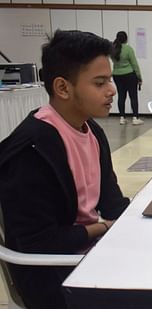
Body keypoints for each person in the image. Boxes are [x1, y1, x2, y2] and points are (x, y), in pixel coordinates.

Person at [0, 30, 129, 309]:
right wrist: (101, 228)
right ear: (62, 88)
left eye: (110, 79)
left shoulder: (91, 130)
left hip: (87, 254)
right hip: (52, 273)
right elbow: (38, 242)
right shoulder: (31, 149)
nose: (112, 90)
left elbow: (112, 202)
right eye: (100, 82)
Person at [111, 31, 144, 125]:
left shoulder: (113, 49)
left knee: (121, 96)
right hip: (129, 75)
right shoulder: (128, 49)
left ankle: (122, 117)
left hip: (117, 75)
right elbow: (134, 64)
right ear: (126, 39)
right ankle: (135, 118)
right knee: (133, 96)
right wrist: (139, 77)